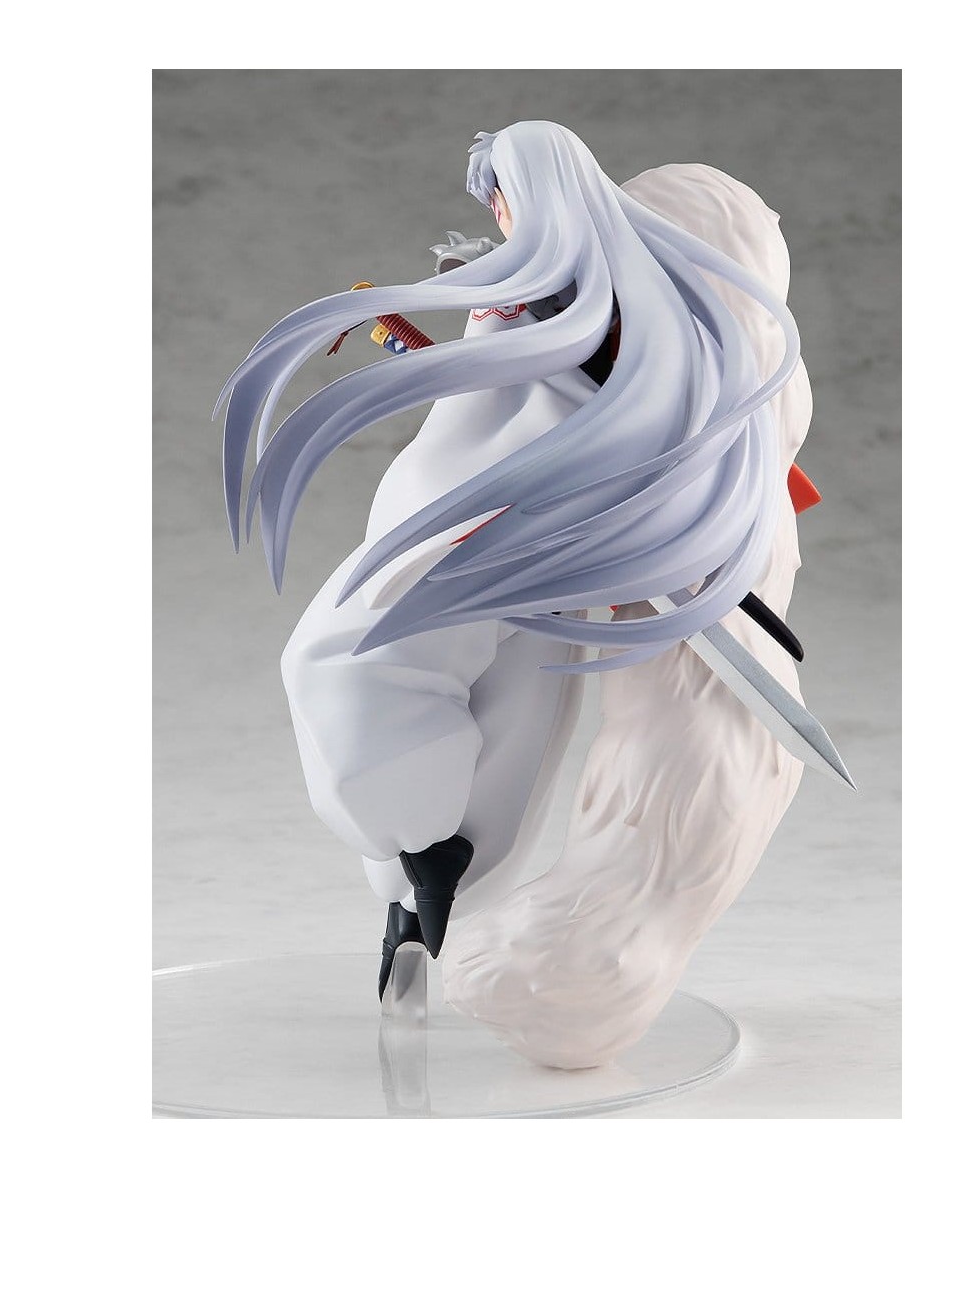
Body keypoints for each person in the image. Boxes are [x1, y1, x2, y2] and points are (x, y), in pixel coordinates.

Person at [216, 120, 814, 1065]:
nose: (497, 214)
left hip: (511, 515)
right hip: (497, 508)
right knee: (453, 686)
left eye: (501, 194)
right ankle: (424, 878)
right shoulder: (553, 285)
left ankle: (428, 860)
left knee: (370, 659)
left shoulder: (620, 300)